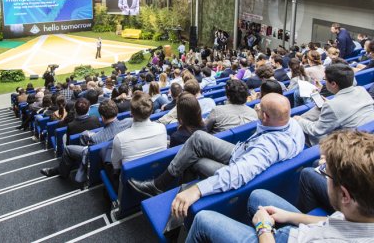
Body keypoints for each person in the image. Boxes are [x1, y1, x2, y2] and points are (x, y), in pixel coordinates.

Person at [128, 93, 305, 217]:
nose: (255, 106)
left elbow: (238, 174)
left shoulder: (266, 148)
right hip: (241, 152)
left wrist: (196, 190)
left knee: (192, 160)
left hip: (237, 166)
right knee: (197, 138)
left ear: (266, 117)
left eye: (259, 106)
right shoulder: (292, 124)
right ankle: (161, 185)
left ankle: (166, 193)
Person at [186, 130, 374, 243]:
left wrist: (263, 228)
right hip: (302, 232)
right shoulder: (360, 212)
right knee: (258, 195)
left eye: (326, 173)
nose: (323, 174)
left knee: (203, 219)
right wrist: (289, 216)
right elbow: (335, 222)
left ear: (345, 195)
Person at [40, 100, 133, 179]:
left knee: (68, 148)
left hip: (104, 161)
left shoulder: (95, 138)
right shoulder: (130, 122)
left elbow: (89, 154)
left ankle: (62, 172)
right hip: (123, 159)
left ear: (102, 117)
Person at [295, 63, 374, 146]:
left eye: (324, 79)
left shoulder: (332, 106)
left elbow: (316, 130)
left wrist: (299, 120)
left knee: (304, 125)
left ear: (333, 84)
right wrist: (329, 103)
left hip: (354, 145)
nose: (324, 82)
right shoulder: (361, 89)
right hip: (368, 134)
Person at [111, 92, 167, 171]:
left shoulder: (120, 138)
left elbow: (116, 166)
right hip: (157, 174)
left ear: (131, 113)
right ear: (151, 112)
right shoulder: (162, 128)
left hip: (130, 181)